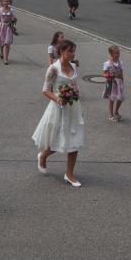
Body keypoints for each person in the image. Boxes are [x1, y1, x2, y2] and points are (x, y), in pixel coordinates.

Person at [32, 40, 85, 187]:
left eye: (74, 51)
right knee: (57, 139)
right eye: (70, 51)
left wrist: (78, 106)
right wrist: (58, 99)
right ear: (62, 51)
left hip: (73, 107)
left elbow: (75, 87)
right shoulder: (53, 69)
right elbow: (46, 90)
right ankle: (43, 155)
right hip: (58, 108)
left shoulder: (73, 66)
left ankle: (69, 174)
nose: (73, 54)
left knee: (74, 141)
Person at [101, 46, 125, 122]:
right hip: (111, 83)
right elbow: (103, 74)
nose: (118, 54)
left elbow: (121, 73)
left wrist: (122, 81)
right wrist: (109, 75)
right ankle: (111, 115)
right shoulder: (107, 63)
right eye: (116, 53)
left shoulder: (120, 62)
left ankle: (116, 111)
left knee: (120, 98)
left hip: (119, 83)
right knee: (112, 99)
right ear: (111, 54)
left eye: (119, 53)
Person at [0, 0, 16, 65]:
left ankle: (6, 59)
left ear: (9, 2)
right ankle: (1, 52)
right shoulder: (0, 10)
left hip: (8, 28)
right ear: (2, 2)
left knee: (7, 44)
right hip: (1, 27)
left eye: (7, 1)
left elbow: (13, 18)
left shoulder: (11, 10)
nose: (6, 2)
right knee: (2, 41)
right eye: (5, 1)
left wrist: (14, 19)